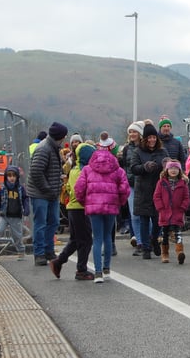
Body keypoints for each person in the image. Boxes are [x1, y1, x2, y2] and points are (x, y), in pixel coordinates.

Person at [75, 147, 130, 283]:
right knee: (107, 237)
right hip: (111, 206)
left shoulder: (87, 169)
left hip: (94, 207)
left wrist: (85, 202)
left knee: (97, 238)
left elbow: (79, 188)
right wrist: (119, 202)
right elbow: (125, 189)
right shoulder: (117, 170)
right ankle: (107, 269)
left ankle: (98, 272)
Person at [49, 143, 96, 281]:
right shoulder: (82, 171)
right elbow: (78, 190)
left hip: (72, 208)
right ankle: (81, 270)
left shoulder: (74, 169)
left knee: (75, 240)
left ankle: (58, 262)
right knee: (86, 240)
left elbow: (69, 187)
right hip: (79, 208)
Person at [27, 121, 68, 266]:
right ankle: (39, 253)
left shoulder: (53, 147)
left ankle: (48, 250)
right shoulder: (44, 149)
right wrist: (47, 189)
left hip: (51, 193)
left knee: (53, 222)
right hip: (41, 193)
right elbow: (36, 172)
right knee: (40, 223)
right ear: (60, 136)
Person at [131, 123, 168, 259]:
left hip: (159, 189)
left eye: (154, 137)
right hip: (143, 190)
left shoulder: (162, 151)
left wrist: (166, 165)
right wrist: (144, 167)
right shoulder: (138, 151)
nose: (152, 140)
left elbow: (167, 166)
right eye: (149, 138)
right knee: (144, 219)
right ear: (145, 139)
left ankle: (154, 239)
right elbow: (134, 168)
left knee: (159, 219)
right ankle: (146, 248)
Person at [0, 166, 30, 259]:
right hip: (4, 215)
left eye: (14, 176)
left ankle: (21, 250)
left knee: (17, 235)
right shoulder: (2, 189)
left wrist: (26, 209)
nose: (11, 178)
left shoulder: (20, 188)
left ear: (17, 177)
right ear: (6, 177)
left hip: (16, 216)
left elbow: (25, 199)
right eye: (9, 176)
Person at [153, 159, 190, 264]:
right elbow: (157, 196)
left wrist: (183, 208)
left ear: (179, 170)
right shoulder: (161, 182)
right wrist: (160, 208)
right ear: (167, 170)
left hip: (178, 211)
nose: (173, 170)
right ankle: (165, 253)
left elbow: (186, 198)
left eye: (176, 168)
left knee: (178, 233)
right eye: (171, 168)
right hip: (164, 212)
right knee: (165, 234)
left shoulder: (183, 183)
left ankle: (180, 252)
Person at [122, 121, 145, 254]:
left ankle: (148, 240)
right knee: (134, 215)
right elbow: (125, 166)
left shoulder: (146, 148)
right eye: (130, 132)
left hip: (144, 185)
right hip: (131, 185)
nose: (132, 134)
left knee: (146, 214)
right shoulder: (126, 149)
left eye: (134, 131)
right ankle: (140, 243)